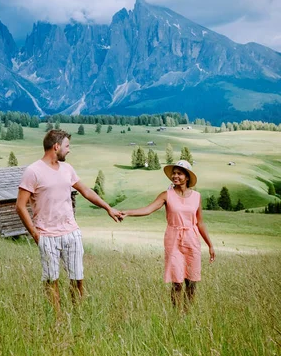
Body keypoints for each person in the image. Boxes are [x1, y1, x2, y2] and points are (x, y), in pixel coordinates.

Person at [16, 129, 122, 311]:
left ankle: (77, 314)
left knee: (77, 278)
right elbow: (20, 206)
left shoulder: (67, 169)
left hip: (71, 233)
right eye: (67, 146)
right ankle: (56, 320)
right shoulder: (33, 171)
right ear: (56, 147)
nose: (69, 150)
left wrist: (108, 208)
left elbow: (86, 191)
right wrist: (35, 234)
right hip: (47, 235)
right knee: (51, 280)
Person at [120, 160, 215, 308]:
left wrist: (210, 245)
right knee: (177, 281)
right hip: (173, 239)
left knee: (192, 281)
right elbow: (148, 209)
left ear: (187, 177)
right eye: (174, 173)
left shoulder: (197, 196)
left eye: (179, 173)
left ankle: (187, 313)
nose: (175, 176)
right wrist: (127, 212)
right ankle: (175, 313)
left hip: (191, 239)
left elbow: (200, 222)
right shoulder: (167, 195)